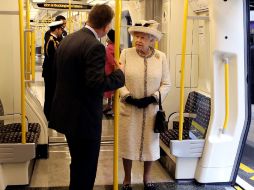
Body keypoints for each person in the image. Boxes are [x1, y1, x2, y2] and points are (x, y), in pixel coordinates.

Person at [49, 4, 125, 190]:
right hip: (84, 120)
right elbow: (97, 84)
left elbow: (57, 73)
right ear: (106, 26)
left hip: (66, 116)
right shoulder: (94, 47)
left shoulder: (68, 39)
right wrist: (119, 74)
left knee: (78, 164)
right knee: (86, 168)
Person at [118, 20, 171, 190]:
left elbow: (167, 83)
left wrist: (153, 98)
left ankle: (147, 179)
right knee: (128, 143)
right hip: (130, 107)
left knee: (149, 144)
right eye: (136, 36)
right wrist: (128, 97)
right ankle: (127, 180)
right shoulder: (126, 53)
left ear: (152, 40)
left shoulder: (161, 57)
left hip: (151, 109)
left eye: (142, 37)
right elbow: (118, 80)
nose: (138, 40)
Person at [42, 20, 64, 121]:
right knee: (50, 94)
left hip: (52, 72)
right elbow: (52, 59)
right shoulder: (51, 41)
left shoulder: (54, 39)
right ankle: (48, 115)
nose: (62, 31)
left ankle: (51, 113)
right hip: (50, 72)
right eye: (61, 29)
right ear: (56, 29)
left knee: (52, 93)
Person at [103, 29, 116, 116]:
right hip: (113, 70)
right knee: (113, 91)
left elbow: (111, 61)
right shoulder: (116, 46)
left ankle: (112, 108)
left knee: (111, 91)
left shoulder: (108, 48)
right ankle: (109, 106)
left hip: (109, 71)